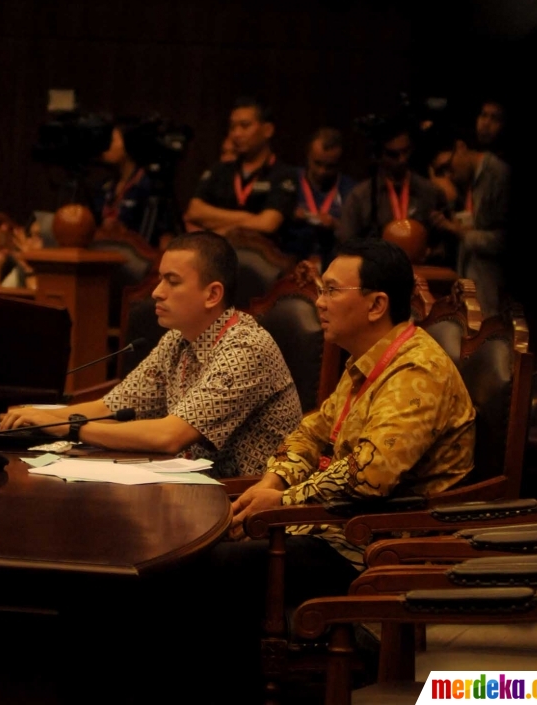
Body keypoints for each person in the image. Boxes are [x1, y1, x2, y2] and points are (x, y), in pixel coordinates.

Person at [186, 238, 475, 704]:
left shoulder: (415, 371)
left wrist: (281, 502)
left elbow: (370, 476)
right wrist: (273, 480)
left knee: (218, 567)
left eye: (332, 291)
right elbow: (312, 431)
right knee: (197, 546)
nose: (319, 302)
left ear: (377, 304)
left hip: (378, 546)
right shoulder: (368, 360)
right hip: (332, 527)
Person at [0, 231, 302, 477]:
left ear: (212, 294)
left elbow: (169, 436)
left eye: (172, 281)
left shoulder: (245, 347)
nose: (157, 292)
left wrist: (68, 426)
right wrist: (35, 417)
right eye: (160, 279)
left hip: (243, 503)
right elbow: (114, 408)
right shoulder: (177, 340)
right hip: (191, 488)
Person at [184, 96, 298, 240]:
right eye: (232, 127)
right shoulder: (219, 170)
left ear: (267, 130)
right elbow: (195, 211)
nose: (236, 134)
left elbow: (268, 223)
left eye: (244, 126)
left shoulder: (283, 174)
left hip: (263, 256)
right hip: (221, 253)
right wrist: (247, 217)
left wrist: (222, 229)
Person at [430, 130, 510, 317]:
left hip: (496, 300)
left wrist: (458, 231)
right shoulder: (470, 181)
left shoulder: (498, 175)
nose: (448, 176)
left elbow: (504, 240)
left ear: (461, 147)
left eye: (447, 167)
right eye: (442, 172)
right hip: (474, 291)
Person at [337, 115, 445, 245]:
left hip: (421, 264)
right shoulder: (360, 197)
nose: (402, 159)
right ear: (379, 155)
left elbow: (445, 243)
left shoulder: (431, 192)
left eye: (406, 151)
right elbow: (346, 244)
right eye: (393, 154)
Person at [283, 127, 355, 266]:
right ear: (308, 155)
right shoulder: (288, 180)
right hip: (289, 258)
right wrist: (287, 213)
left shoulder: (351, 190)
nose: (322, 171)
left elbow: (355, 235)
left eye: (330, 166)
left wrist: (335, 225)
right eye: (317, 163)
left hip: (332, 260)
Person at [96, 119, 161, 241]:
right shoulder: (106, 184)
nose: (107, 146)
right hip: (105, 248)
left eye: (113, 140)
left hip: (136, 253)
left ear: (129, 143)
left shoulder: (148, 184)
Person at [0, 216, 44, 290]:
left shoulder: (57, 274)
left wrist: (29, 270)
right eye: (29, 235)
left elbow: (40, 299)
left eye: (37, 236)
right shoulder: (19, 273)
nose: (29, 242)